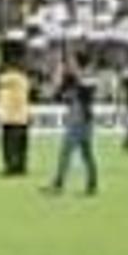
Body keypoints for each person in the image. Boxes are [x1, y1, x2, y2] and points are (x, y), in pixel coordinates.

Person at [42, 62, 98, 198]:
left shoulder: (85, 80)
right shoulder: (74, 81)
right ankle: (92, 184)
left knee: (66, 153)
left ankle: (59, 183)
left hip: (79, 121)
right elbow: (58, 95)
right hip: (82, 121)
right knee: (87, 154)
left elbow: (82, 90)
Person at [0, 56, 34, 180]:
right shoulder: (24, 79)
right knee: (22, 144)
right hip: (23, 115)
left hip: (10, 116)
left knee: (9, 144)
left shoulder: (9, 78)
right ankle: (21, 166)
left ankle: (10, 166)